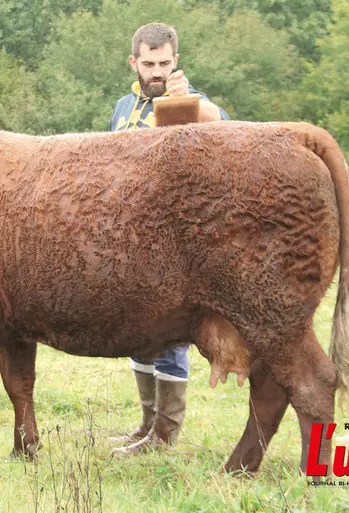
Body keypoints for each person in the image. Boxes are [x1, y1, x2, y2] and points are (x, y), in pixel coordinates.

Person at [109, 22, 230, 455]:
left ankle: (164, 435)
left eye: (164, 63)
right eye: (149, 64)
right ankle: (145, 425)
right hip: (125, 238)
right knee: (138, 332)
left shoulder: (189, 100)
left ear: (175, 61)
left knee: (170, 337)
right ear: (134, 63)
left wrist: (192, 104)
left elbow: (229, 127)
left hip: (175, 242)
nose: (156, 71)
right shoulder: (123, 106)